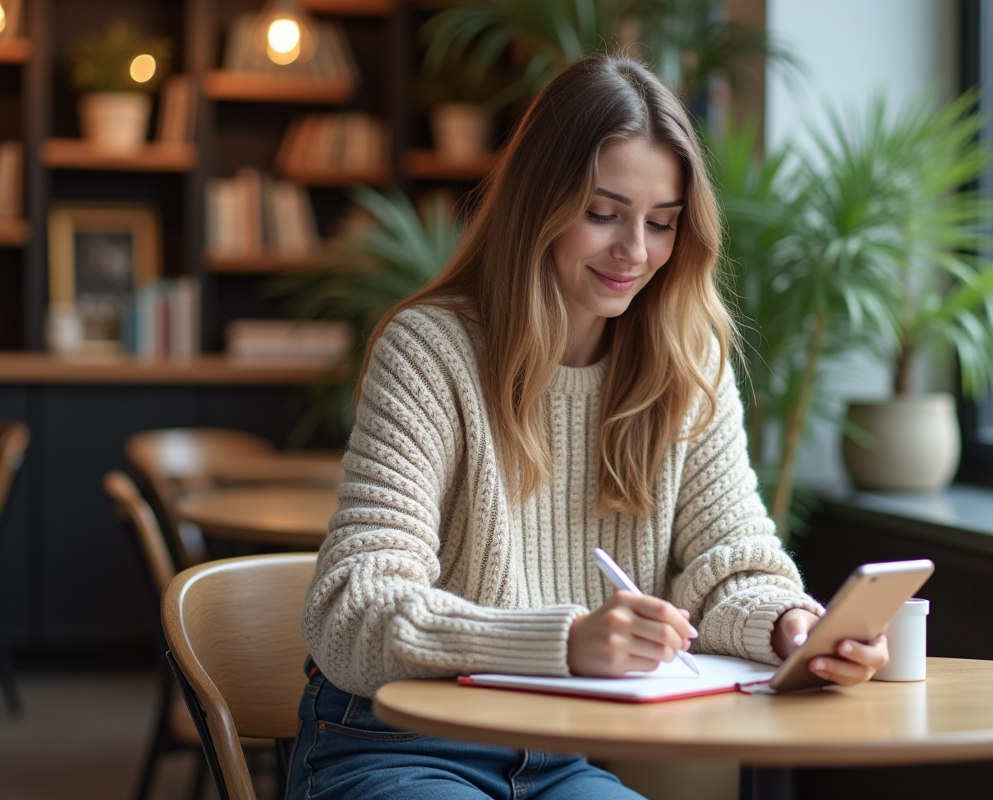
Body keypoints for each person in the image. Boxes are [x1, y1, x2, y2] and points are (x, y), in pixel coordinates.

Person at [287, 53, 888, 800]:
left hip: (557, 756)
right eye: (603, 214)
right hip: (395, 743)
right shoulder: (431, 353)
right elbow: (351, 604)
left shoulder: (686, 362)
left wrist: (790, 627)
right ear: (537, 206)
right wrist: (564, 641)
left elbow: (734, 564)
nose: (635, 252)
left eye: (661, 223)